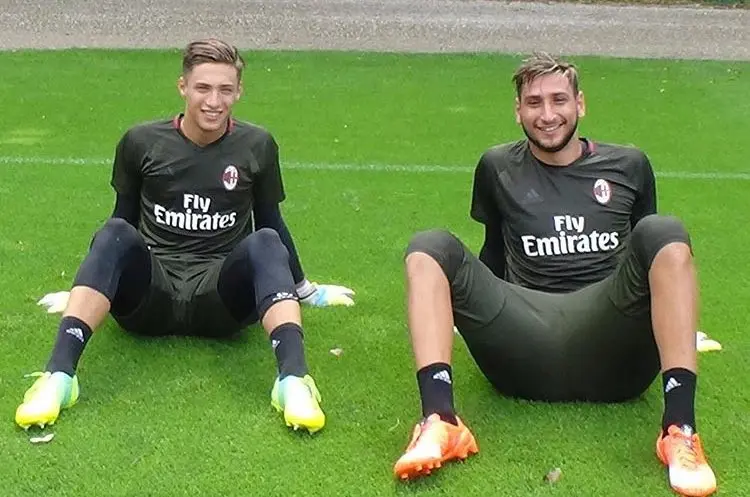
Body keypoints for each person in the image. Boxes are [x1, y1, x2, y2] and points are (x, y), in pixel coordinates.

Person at [392, 52, 716, 497]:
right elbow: (493, 253)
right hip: (525, 344)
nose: (547, 115)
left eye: (559, 100)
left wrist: (680, 330)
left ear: (580, 104)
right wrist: (456, 315)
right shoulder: (496, 166)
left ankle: (680, 430)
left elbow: (654, 259)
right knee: (428, 246)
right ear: (517, 110)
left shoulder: (630, 165)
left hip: (612, 344)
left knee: (664, 230)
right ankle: (440, 421)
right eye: (533, 102)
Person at [15, 38, 355, 435]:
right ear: (183, 87)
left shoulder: (257, 145)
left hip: (220, 302)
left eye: (225, 90)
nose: (214, 101)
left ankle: (293, 382)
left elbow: (271, 222)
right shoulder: (140, 142)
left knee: (264, 241)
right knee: (115, 232)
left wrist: (306, 290)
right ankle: (59, 379)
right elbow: (120, 222)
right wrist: (84, 291)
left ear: (239, 92)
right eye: (203, 88)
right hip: (150, 300)